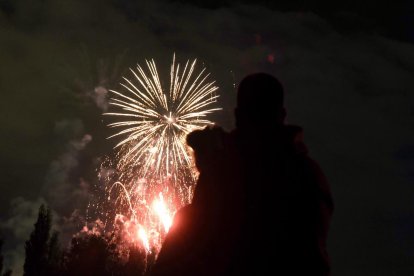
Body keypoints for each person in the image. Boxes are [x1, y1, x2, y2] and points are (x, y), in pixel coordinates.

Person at [149, 73, 334, 276]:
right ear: (282, 115)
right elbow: (314, 257)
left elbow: (199, 251)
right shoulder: (308, 174)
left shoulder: (221, 175)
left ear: (238, 115)